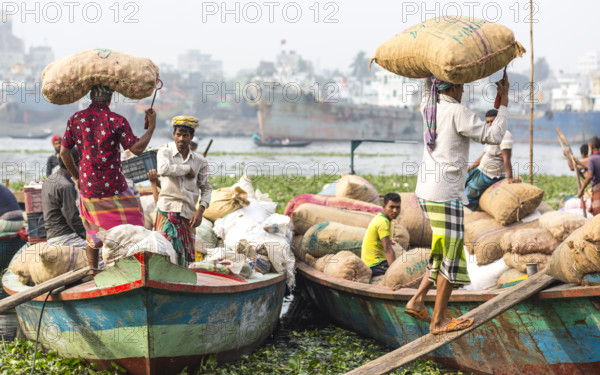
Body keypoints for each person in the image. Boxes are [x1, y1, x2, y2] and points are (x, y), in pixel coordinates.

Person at [405, 73, 510, 334]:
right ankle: (438, 321)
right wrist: (505, 100)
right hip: (446, 195)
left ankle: (417, 299)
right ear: (452, 86)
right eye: (461, 84)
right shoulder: (457, 112)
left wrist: (432, 70)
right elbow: (494, 135)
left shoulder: (428, 106)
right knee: (452, 257)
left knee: (441, 248)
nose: (463, 89)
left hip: (426, 193)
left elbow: (427, 83)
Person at [60, 85, 157, 269]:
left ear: (91, 97)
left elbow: (64, 153)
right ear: (110, 98)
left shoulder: (76, 119)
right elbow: (137, 149)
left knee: (93, 229)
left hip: (88, 186)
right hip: (114, 186)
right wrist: (151, 127)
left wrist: (77, 178)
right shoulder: (117, 120)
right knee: (135, 223)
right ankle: (135, 265)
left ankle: (93, 270)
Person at [155, 116, 212, 266]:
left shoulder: (200, 161)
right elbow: (163, 169)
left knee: (186, 259)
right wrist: (186, 169)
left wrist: (200, 211)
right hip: (166, 212)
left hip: (188, 215)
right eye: (178, 134)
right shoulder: (164, 152)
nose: (181, 138)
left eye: (185, 135)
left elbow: (206, 188)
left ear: (191, 137)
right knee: (163, 255)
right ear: (173, 135)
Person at [465, 109, 521, 210]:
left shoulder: (505, 135)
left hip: (489, 175)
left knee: (467, 195)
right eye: (488, 122)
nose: (490, 124)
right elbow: (484, 155)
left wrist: (510, 178)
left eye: (492, 121)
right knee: (460, 182)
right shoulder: (491, 134)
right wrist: (471, 167)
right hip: (480, 169)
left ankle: (479, 211)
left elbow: (506, 159)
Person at [41, 147, 86, 248]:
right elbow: (72, 218)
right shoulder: (66, 186)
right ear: (73, 163)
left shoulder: (48, 181)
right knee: (101, 254)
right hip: (65, 238)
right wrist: (88, 237)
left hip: (51, 237)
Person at [361, 193, 401, 276]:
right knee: (401, 273)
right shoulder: (382, 222)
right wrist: (394, 272)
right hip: (374, 265)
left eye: (398, 207)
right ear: (384, 206)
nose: (395, 211)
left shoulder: (386, 219)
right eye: (392, 207)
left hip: (377, 262)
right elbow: (388, 249)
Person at [578, 136, 600, 216]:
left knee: (597, 214)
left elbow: (590, 176)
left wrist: (581, 190)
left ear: (591, 146)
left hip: (598, 191)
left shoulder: (592, 159)